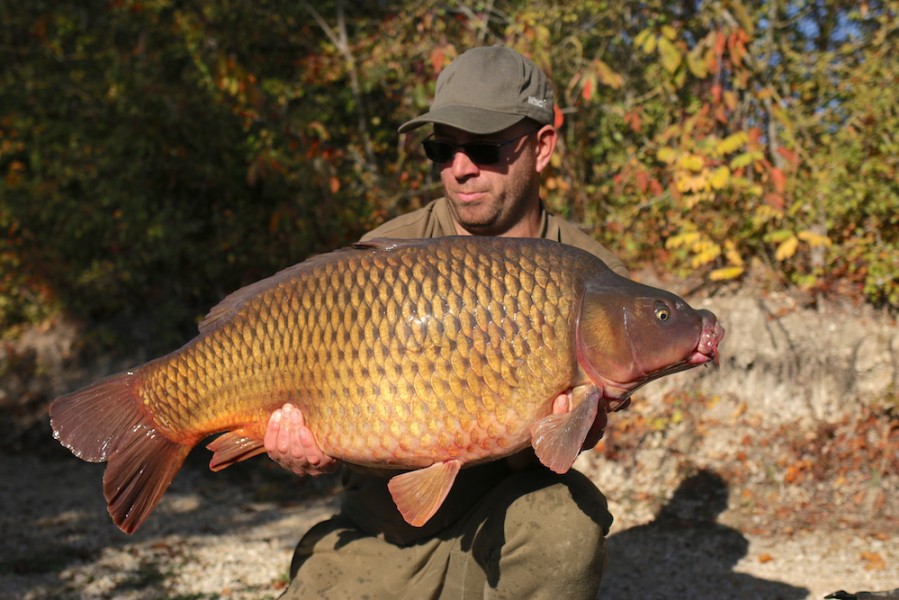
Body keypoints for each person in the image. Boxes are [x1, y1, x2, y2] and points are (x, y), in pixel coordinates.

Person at [265, 45, 629, 599]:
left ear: (544, 146)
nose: (460, 169)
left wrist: (582, 421)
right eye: (443, 148)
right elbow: (319, 410)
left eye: (484, 147)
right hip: (381, 537)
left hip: (505, 532)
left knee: (565, 528)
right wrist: (299, 447)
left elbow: (567, 442)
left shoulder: (591, 276)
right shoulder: (388, 256)